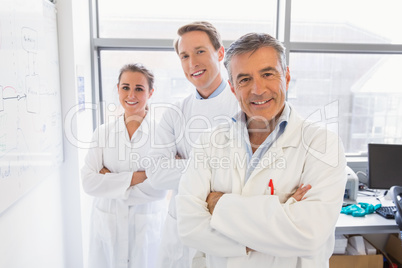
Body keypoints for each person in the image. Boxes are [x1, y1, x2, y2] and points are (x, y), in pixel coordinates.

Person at [176, 33, 347, 268]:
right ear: (233, 89)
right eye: (244, 79)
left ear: (286, 77)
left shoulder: (323, 145)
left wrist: (219, 204)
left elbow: (309, 234)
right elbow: (188, 226)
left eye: (267, 74)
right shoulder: (209, 142)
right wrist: (279, 217)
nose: (258, 89)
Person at [145, 21, 239, 268]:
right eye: (184, 56)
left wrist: (182, 165)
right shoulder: (174, 114)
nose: (192, 63)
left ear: (220, 53)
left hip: (229, 229)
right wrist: (220, 167)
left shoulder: (244, 108)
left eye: (200, 51)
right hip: (181, 234)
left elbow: (250, 171)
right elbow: (156, 174)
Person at [81, 63, 167, 268]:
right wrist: (140, 176)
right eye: (126, 87)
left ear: (150, 93)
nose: (131, 94)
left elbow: (159, 190)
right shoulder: (103, 132)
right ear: (118, 88)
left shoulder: (162, 135)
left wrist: (109, 181)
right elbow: (88, 183)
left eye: (139, 88)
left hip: (146, 226)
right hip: (107, 225)